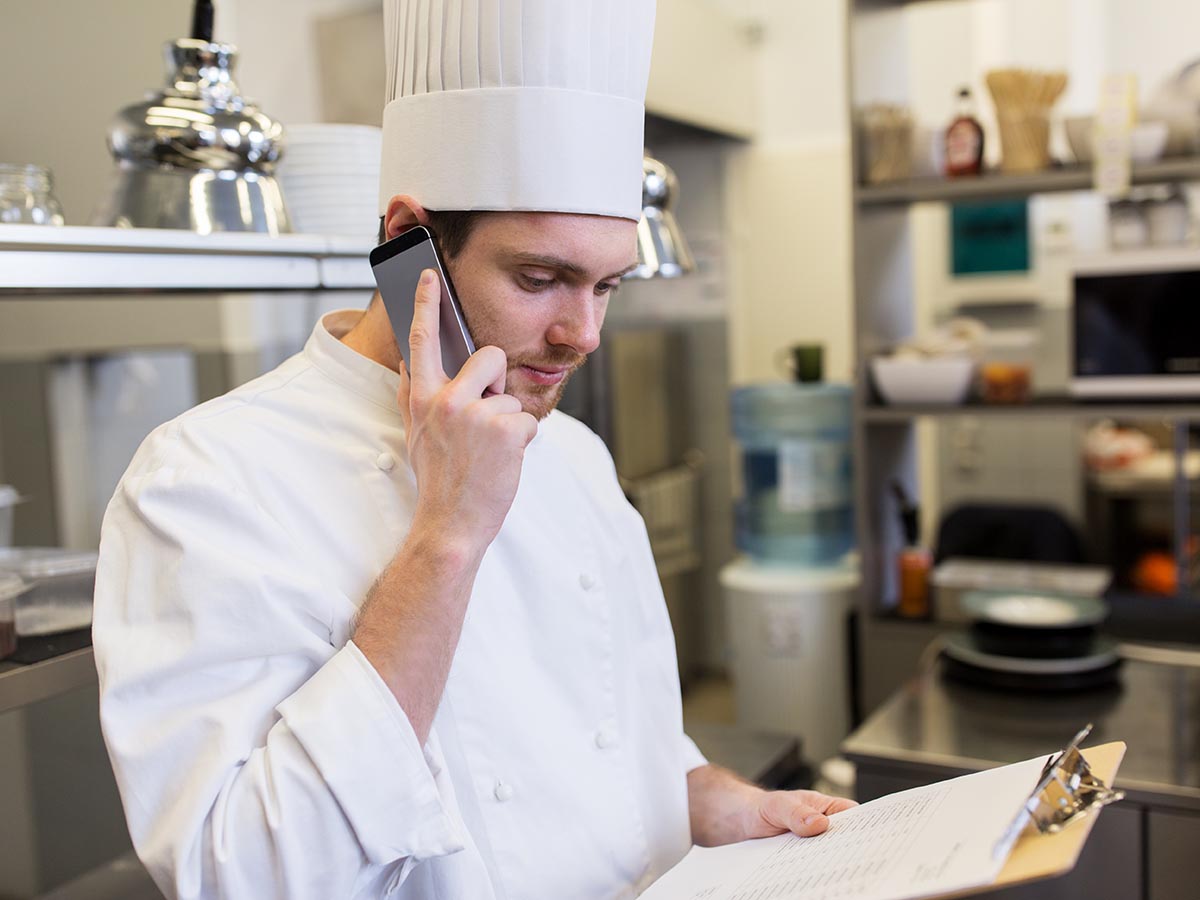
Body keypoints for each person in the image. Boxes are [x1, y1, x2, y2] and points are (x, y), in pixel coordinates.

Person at [93, 1, 854, 897]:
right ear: (408, 238)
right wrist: (446, 538)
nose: (583, 334)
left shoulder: (574, 456)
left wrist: (711, 802)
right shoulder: (207, 481)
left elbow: (619, 749)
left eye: (608, 284)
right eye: (540, 278)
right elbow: (245, 877)